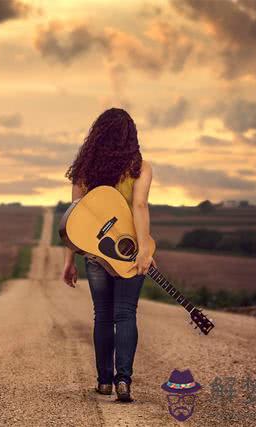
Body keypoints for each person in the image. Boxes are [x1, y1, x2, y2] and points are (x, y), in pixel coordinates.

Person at [61, 107, 156, 403]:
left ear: (97, 134)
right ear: (131, 136)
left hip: (95, 254)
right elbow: (139, 207)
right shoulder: (140, 167)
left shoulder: (85, 169)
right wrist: (142, 250)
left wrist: (69, 261)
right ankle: (123, 380)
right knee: (126, 313)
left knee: (102, 315)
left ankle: (104, 381)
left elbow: (75, 220)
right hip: (129, 251)